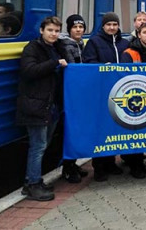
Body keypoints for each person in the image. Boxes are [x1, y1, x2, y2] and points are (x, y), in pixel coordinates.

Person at [17, 16, 66, 201]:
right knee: (37, 146)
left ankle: (34, 179)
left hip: (50, 106)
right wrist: (54, 63)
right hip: (35, 105)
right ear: (41, 30)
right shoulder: (32, 48)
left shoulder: (56, 48)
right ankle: (32, 185)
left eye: (56, 31)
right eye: (50, 30)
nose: (54, 34)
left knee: (43, 144)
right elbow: (29, 71)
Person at [81, 12, 129, 182]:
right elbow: (88, 63)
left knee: (114, 129)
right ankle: (99, 167)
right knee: (101, 130)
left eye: (115, 25)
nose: (112, 28)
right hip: (101, 92)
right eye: (109, 25)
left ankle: (110, 163)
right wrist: (103, 66)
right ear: (103, 26)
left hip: (120, 92)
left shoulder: (125, 43)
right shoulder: (94, 42)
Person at [118, 22, 146, 178]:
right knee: (134, 131)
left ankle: (139, 160)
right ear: (139, 34)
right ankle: (135, 166)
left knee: (143, 130)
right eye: (145, 32)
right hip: (134, 97)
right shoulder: (129, 53)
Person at [58, 14, 89, 183]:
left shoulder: (80, 44)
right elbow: (73, 69)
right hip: (69, 95)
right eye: (75, 27)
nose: (78, 30)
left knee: (76, 130)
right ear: (69, 29)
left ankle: (72, 164)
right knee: (69, 131)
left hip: (78, 94)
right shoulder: (65, 46)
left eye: (81, 27)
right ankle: (67, 168)